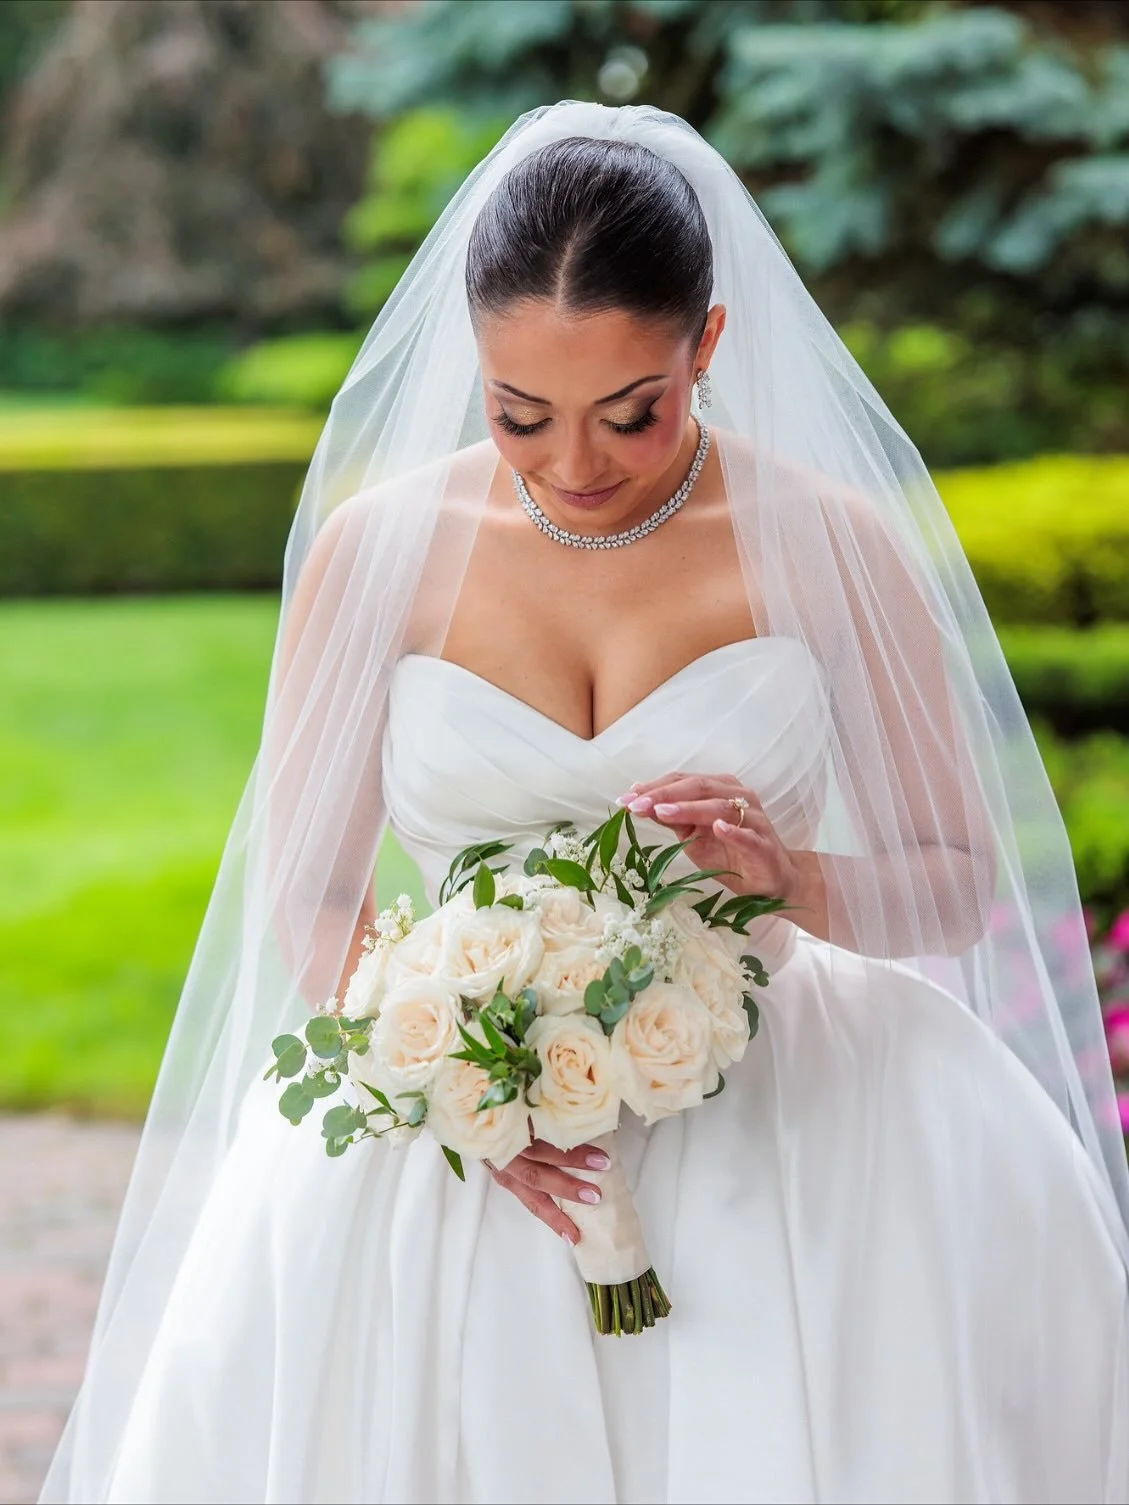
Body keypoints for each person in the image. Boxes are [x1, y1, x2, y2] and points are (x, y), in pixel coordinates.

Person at [41, 102, 1129, 1505]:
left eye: (633, 412)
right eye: (519, 415)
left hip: (795, 1124)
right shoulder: (382, 554)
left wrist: (787, 875)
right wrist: (457, 1089)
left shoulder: (830, 548)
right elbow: (314, 894)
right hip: (466, 1144)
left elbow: (950, 879)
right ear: (473, 368)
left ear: (709, 350)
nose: (574, 465)